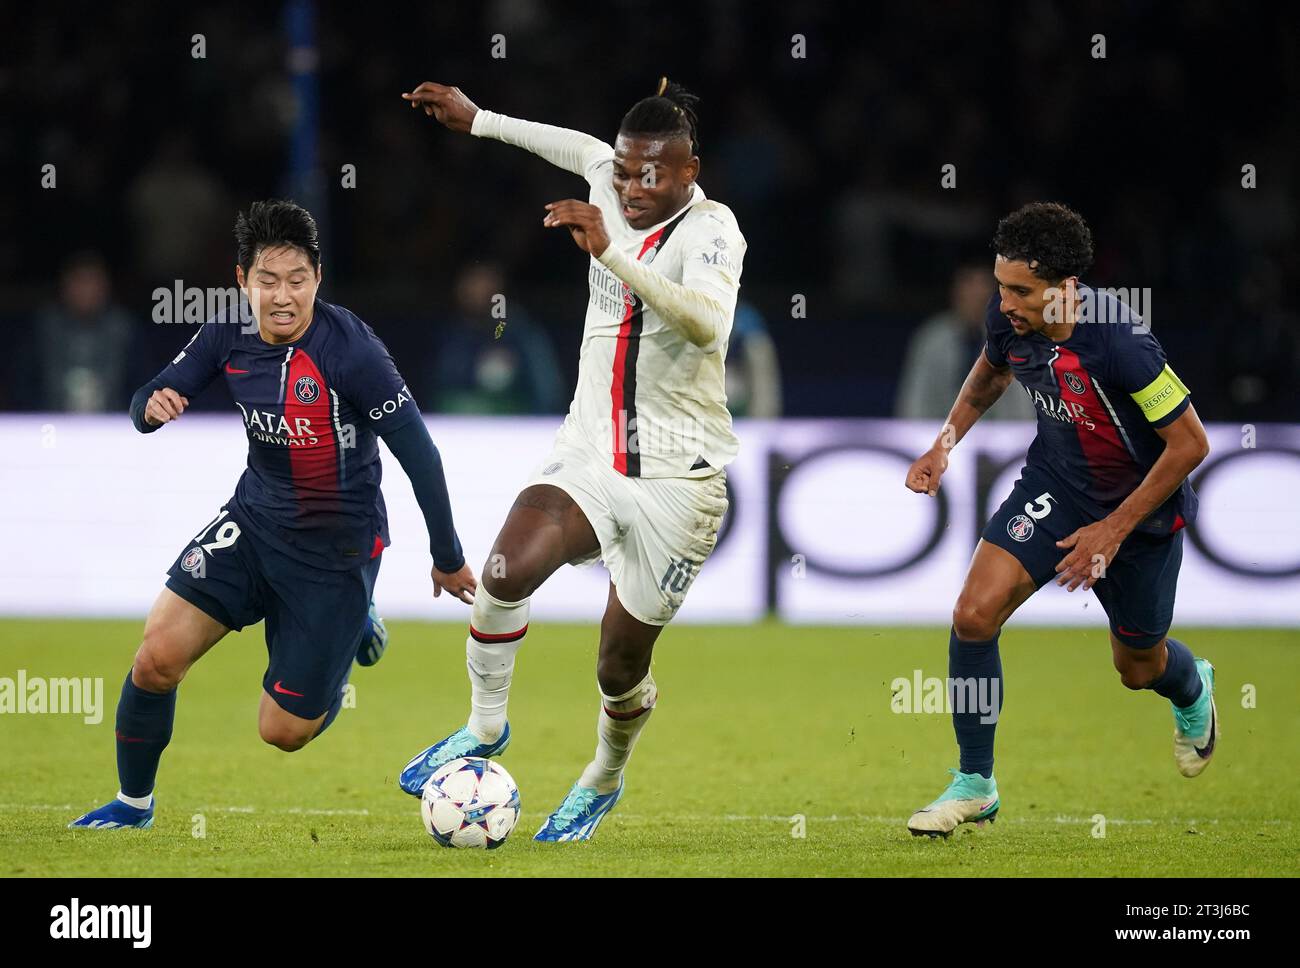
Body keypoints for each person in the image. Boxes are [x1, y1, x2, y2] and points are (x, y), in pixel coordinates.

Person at [396, 77, 745, 841]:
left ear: (690, 170)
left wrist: (612, 253)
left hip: (678, 483)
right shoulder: (608, 178)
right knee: (503, 573)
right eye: (624, 171)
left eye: (653, 173)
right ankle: (486, 729)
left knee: (618, 669)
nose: (632, 185)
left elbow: (707, 327)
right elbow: (571, 144)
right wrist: (477, 117)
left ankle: (603, 777)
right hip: (590, 452)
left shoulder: (714, 231)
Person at [70, 200, 476, 830]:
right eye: (268, 280)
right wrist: (152, 408)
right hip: (254, 525)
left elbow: (419, 452)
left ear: (318, 278)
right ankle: (133, 805)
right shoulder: (225, 332)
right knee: (154, 658)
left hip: (334, 553)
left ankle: (350, 632)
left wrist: (446, 556)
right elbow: (145, 396)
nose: (282, 297)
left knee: (282, 731)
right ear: (242, 281)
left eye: (297, 280)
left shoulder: (353, 352)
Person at [903, 202, 1215, 838]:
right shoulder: (1010, 317)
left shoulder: (1122, 343)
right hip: (1057, 489)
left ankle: (1193, 688)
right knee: (973, 614)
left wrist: (1112, 530)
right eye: (1001, 286)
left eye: (1021, 290)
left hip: (1140, 516)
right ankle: (975, 783)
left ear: (1067, 288)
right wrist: (944, 441)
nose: (1005, 302)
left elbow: (1190, 445)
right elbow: (990, 374)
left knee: (1138, 668)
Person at [896, 262, 1036, 421]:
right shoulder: (931, 339)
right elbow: (915, 403)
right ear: (955, 292)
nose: (975, 298)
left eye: (982, 292)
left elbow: (1022, 410)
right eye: (969, 290)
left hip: (996, 438)